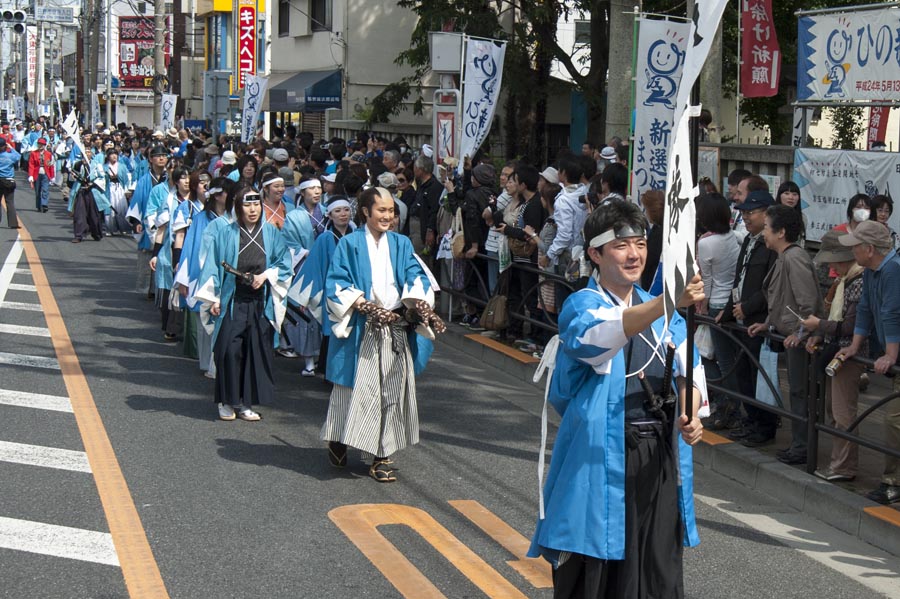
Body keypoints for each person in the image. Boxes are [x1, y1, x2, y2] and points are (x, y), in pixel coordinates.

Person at [528, 199, 706, 598]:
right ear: (595, 253)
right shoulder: (581, 305)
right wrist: (666, 302)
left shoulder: (664, 309)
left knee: (656, 565)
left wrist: (692, 414)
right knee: (598, 568)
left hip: (658, 453)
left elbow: (689, 369)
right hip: (600, 453)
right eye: (622, 246)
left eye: (641, 244)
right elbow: (602, 337)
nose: (634, 255)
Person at [320, 187, 445, 482]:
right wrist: (361, 303)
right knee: (351, 390)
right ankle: (338, 437)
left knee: (391, 391)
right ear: (366, 212)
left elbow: (417, 276)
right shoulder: (349, 244)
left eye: (391, 211)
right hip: (362, 326)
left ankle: (382, 454)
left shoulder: (401, 243)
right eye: (382, 210)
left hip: (395, 326)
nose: (388, 216)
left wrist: (420, 305)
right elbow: (336, 282)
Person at [195, 185, 292, 422]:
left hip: (260, 301)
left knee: (255, 351)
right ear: (238, 208)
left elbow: (284, 263)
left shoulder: (271, 233)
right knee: (228, 350)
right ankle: (227, 401)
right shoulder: (225, 233)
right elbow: (213, 266)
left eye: (256, 204)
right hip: (232, 299)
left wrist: (266, 276)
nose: (253, 210)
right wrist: (214, 298)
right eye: (247, 205)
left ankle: (247, 403)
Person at [748, 204, 823, 463]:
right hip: (787, 333)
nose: (764, 233)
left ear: (780, 232)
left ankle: (802, 447)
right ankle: (798, 444)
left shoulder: (795, 257)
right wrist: (768, 323)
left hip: (798, 338)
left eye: (767, 228)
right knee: (795, 392)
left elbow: (808, 302)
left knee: (800, 392)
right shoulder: (786, 256)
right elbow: (780, 298)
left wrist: (802, 332)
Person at [835, 221, 900, 505]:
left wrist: (890, 355)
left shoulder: (893, 269)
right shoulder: (873, 271)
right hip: (894, 352)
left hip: (896, 352)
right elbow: (865, 310)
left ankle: (893, 481)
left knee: (894, 420)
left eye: (856, 247)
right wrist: (855, 346)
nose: (852, 252)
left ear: (869, 249)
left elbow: (891, 313)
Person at [801, 230, 866, 482]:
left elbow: (848, 326)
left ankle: (844, 466)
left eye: (832, 261)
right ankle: (840, 464)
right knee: (836, 410)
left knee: (842, 413)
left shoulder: (857, 281)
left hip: (849, 355)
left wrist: (819, 325)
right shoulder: (846, 280)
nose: (830, 267)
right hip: (838, 351)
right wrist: (819, 332)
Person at [715, 191, 778, 436]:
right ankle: (750, 420)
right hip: (741, 317)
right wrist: (729, 310)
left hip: (759, 319)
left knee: (760, 376)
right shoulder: (750, 240)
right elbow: (738, 279)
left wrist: (747, 307)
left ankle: (764, 425)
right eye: (743, 213)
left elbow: (770, 286)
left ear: (767, 214)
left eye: (751, 213)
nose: (746, 217)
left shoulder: (771, 244)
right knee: (743, 374)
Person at [289, 196, 356, 375]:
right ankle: (330, 370)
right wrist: (306, 295)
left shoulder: (358, 236)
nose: (343, 214)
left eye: (346, 210)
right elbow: (313, 267)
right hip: (331, 291)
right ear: (330, 215)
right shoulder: (324, 238)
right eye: (338, 211)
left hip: (355, 291)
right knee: (332, 330)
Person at [175, 177, 234, 378]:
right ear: (218, 195)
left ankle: (221, 364)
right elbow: (190, 248)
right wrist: (184, 279)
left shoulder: (234, 217)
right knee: (208, 317)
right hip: (205, 274)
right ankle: (211, 363)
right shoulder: (201, 219)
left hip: (228, 274)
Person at [696, 193, 741, 424]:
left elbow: (708, 280)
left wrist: (702, 308)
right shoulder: (733, 236)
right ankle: (733, 405)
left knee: (713, 358)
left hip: (715, 304)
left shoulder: (705, 243)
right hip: (732, 302)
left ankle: (728, 406)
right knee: (730, 358)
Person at [102, 148, 132, 235]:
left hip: (120, 189)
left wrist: (127, 190)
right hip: (109, 189)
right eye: (112, 154)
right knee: (110, 209)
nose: (114, 156)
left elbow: (127, 179)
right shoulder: (104, 167)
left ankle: (124, 228)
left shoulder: (122, 166)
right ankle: (109, 228)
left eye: (116, 154)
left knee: (122, 208)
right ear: (108, 156)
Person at [28, 137, 55, 213]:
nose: (41, 146)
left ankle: (44, 204)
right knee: (38, 191)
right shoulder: (33, 153)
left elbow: (51, 165)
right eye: (40, 144)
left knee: (45, 190)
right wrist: (31, 175)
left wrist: (52, 176)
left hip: (45, 173)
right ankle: (39, 205)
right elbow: (31, 165)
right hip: (37, 174)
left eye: (43, 144)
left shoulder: (48, 154)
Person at [775, 181, 806, 247]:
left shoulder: (802, 218)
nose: (791, 197)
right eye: (786, 193)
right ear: (779, 195)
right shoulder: (772, 216)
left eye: (794, 194)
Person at [0, 138, 21, 228]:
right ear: (5, 146)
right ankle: (13, 223)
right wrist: (11, 147)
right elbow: (18, 156)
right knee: (10, 202)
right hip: (8, 180)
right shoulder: (10, 156)